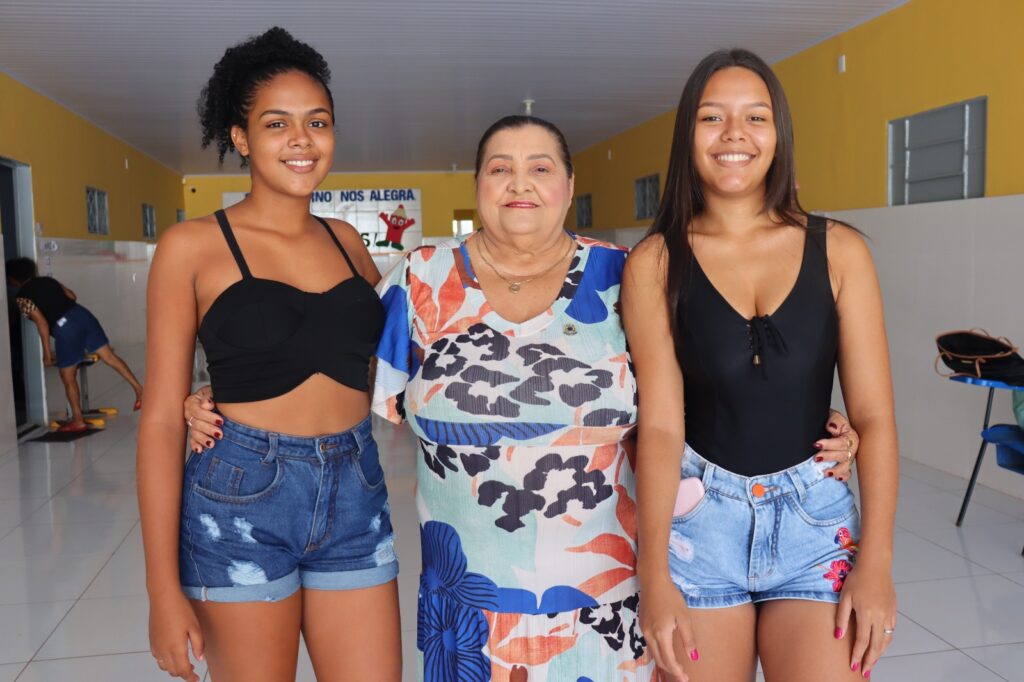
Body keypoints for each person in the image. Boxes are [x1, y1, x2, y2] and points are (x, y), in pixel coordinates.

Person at [186, 113, 862, 681]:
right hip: (468, 614)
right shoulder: (419, 280)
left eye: (540, 167)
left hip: (611, 606)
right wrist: (229, 399)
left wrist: (824, 424)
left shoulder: (629, 275)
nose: (520, 182)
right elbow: (333, 369)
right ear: (478, 186)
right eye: (500, 167)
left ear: (568, 186)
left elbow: (703, 385)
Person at [623, 49, 898, 682]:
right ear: (688, 134)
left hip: (815, 525)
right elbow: (661, 427)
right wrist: (653, 572)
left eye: (755, 117)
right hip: (699, 526)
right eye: (712, 117)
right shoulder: (655, 263)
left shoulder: (840, 251)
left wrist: (877, 564)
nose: (734, 135)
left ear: (779, 135)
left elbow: (875, 418)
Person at [137, 28, 400, 682]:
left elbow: (404, 348)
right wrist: (162, 591)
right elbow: (161, 420)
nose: (302, 140)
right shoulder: (192, 246)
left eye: (318, 122)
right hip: (241, 495)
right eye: (276, 123)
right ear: (242, 137)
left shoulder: (347, 241)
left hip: (356, 489)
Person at [7, 256, 143, 430]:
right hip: (82, 315)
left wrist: (47, 354)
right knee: (109, 357)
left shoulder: (22, 298)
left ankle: (78, 420)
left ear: (13, 279)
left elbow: (42, 323)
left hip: (65, 327)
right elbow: (72, 295)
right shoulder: (48, 280)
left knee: (68, 376)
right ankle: (139, 390)